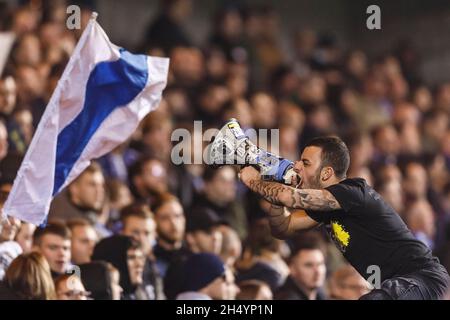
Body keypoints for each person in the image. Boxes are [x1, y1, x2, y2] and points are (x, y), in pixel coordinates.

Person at [239, 136, 450, 299]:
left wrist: (255, 181)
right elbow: (282, 228)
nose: (296, 166)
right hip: (395, 287)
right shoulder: (327, 209)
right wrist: (277, 198)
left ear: (326, 173)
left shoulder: (351, 192)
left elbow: (290, 197)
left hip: (422, 279)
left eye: (306, 162)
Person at [92, 235, 154, 300]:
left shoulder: (140, 294)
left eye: (141, 258)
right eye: (131, 258)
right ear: (114, 262)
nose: (139, 264)